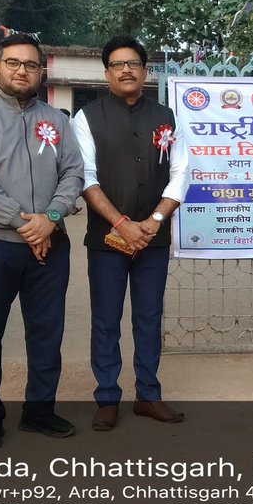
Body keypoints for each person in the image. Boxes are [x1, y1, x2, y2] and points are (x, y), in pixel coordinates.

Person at [0, 33, 84, 449]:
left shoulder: (58, 120)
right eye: (13, 62)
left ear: (40, 71)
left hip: (51, 242)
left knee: (46, 332)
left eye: (30, 64)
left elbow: (73, 175)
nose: (21, 71)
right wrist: (24, 224)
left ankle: (39, 410)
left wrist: (49, 219)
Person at [71, 36, 188, 430]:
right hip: (106, 240)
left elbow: (180, 173)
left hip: (152, 239)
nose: (126, 70)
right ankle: (107, 396)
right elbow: (85, 178)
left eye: (133, 63)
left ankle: (148, 395)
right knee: (105, 318)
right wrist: (122, 223)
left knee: (149, 317)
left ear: (145, 70)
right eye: (117, 64)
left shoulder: (167, 117)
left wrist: (154, 221)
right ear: (106, 73)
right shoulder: (86, 118)